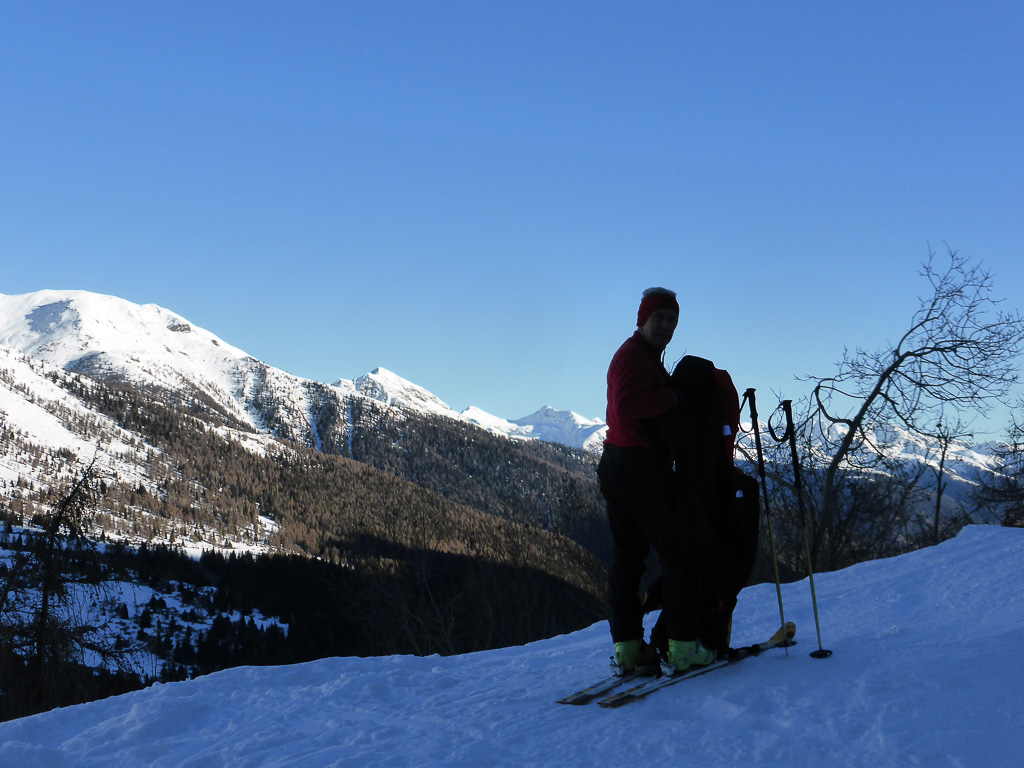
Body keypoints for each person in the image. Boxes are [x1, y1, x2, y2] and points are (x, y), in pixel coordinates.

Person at [597, 287, 716, 676]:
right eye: (659, 317)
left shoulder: (640, 356)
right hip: (639, 466)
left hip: (618, 463)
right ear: (642, 320)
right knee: (678, 552)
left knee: (628, 558)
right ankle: (682, 647)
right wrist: (673, 398)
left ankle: (629, 649)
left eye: (672, 320)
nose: (666, 326)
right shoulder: (634, 357)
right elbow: (628, 405)